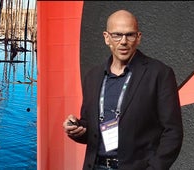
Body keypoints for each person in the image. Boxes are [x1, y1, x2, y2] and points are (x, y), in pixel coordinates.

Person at [62, 10, 183, 170]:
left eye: (130, 35)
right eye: (117, 35)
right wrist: (76, 128)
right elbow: (91, 129)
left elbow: (173, 132)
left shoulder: (159, 73)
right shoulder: (93, 76)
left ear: (138, 38)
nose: (124, 41)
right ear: (107, 38)